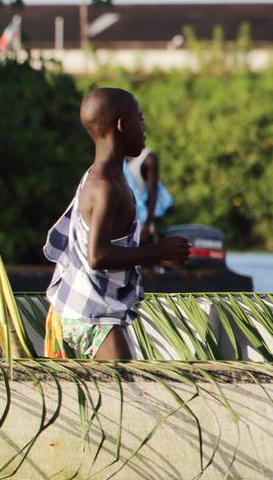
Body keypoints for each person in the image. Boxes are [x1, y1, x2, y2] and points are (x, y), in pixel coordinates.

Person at [43, 88, 190, 360]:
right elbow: (98, 256)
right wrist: (159, 250)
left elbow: (112, 249)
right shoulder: (105, 186)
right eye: (140, 120)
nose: (144, 129)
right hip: (91, 314)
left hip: (87, 308)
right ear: (122, 125)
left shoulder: (107, 177)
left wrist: (157, 255)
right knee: (128, 393)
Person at [124, 147, 173, 243]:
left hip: (141, 224)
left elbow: (153, 195)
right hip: (123, 224)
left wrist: (147, 227)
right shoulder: (118, 155)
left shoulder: (148, 159)